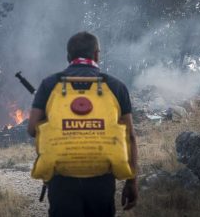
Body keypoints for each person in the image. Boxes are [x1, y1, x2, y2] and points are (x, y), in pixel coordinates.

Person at [27, 32, 138, 217]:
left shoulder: (49, 85)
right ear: (96, 54)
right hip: (102, 180)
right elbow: (130, 137)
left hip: (62, 180)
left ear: (68, 56)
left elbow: (32, 130)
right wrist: (132, 182)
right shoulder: (116, 86)